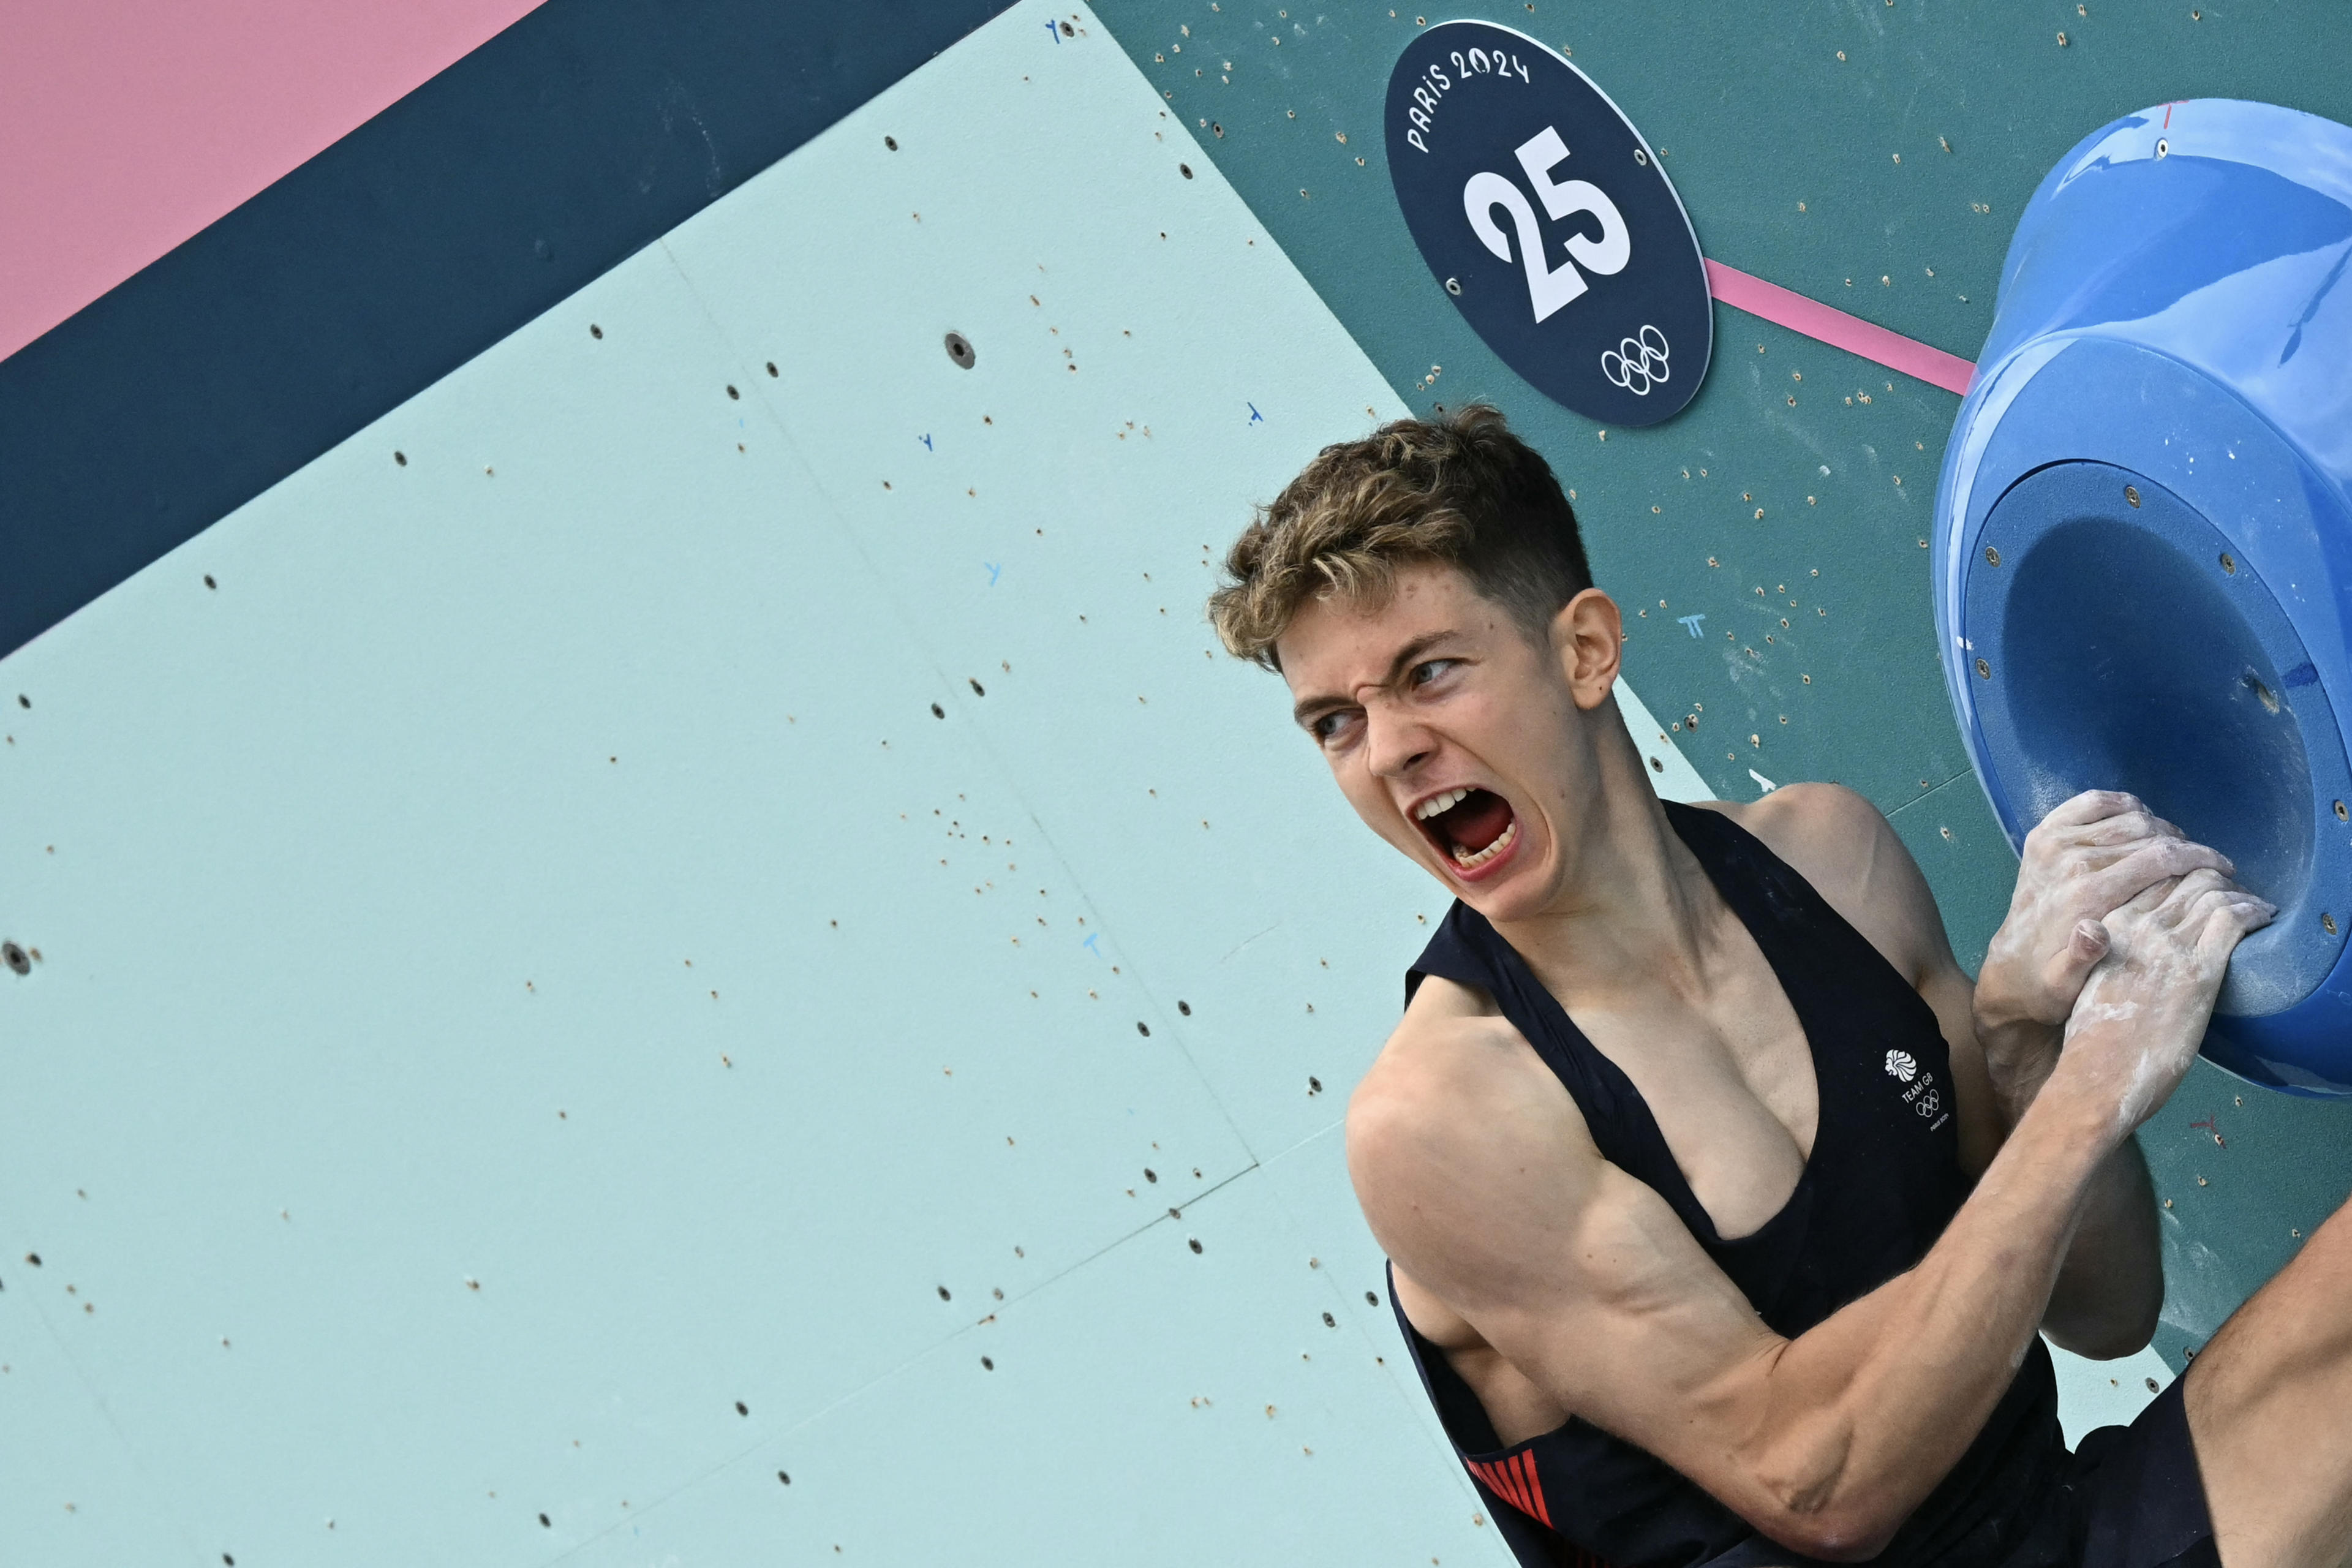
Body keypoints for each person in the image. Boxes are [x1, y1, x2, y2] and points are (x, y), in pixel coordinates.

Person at [1205, 405, 2352, 1568]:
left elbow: (2111, 1315)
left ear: (1584, 650)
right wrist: (2087, 1095)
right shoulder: (1445, 1120)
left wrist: (2022, 1049)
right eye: (1337, 724)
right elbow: (1815, 1487)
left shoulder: (1831, 864)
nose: (1390, 749)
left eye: (1431, 674)